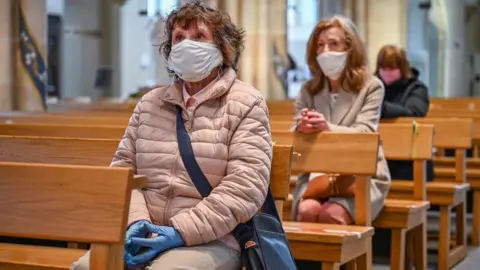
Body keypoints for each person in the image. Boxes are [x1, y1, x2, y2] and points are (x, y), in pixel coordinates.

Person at [71, 1, 272, 270]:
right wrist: (136, 222)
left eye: (199, 36)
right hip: (144, 232)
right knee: (87, 268)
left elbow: (245, 188)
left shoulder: (247, 103)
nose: (188, 44)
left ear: (222, 48)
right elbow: (122, 172)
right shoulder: (150, 103)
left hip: (212, 238)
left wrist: (180, 232)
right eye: (179, 38)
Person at [290, 15, 391, 226]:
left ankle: (349, 260)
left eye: (333, 43)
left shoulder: (371, 86)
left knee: (332, 213)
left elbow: (365, 133)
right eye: (320, 45)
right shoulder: (309, 90)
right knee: (307, 211)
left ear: (349, 47)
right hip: (316, 176)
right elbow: (295, 137)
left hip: (360, 178)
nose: (325, 51)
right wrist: (301, 128)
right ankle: (305, 261)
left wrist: (326, 128)